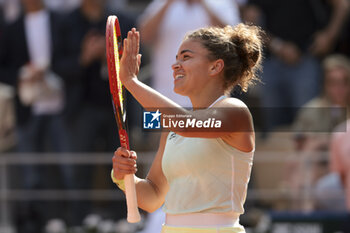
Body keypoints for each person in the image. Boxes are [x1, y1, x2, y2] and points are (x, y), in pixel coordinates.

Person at [111, 23, 263, 232]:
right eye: (176, 58)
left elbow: (188, 125)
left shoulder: (235, 111)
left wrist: (131, 82)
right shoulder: (173, 127)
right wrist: (123, 177)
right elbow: (153, 197)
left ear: (215, 67)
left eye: (186, 57)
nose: (175, 65)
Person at [245, 0, 350, 132]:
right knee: (275, 127)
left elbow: (342, 5)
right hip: (272, 61)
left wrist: (329, 36)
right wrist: (278, 46)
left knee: (310, 125)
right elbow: (250, 21)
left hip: (307, 58)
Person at [138, 0, 241, 108]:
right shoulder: (160, 3)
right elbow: (144, 36)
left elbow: (232, 41)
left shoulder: (222, 3)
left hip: (208, 101)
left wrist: (203, 4)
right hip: (162, 97)